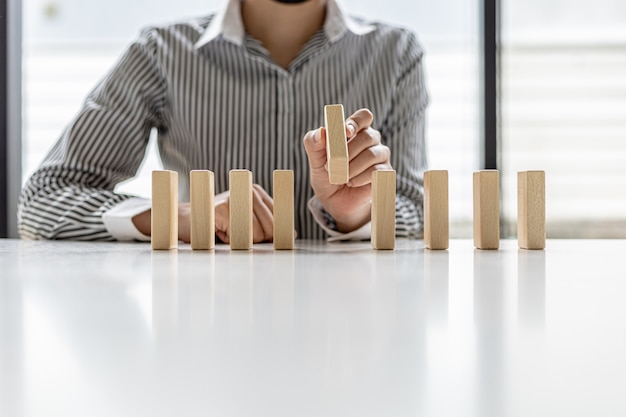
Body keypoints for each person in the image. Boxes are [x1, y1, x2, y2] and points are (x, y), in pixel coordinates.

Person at [18, 0, 428, 243]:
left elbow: (417, 213)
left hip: (348, 330)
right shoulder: (161, 53)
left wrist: (355, 213)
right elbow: (42, 201)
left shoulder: (396, 53)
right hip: (205, 325)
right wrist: (182, 217)